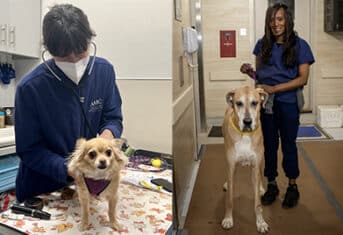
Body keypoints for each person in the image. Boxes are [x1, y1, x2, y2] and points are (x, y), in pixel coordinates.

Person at [14, 4, 123, 202]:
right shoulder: (30, 88)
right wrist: (70, 168)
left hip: (86, 182)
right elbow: (29, 150)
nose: (74, 61)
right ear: (48, 50)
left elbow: (113, 118)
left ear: (89, 41)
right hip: (42, 188)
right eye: (64, 57)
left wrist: (107, 138)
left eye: (80, 54)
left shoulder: (104, 71)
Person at [241, 2, 314, 208]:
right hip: (266, 105)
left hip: (289, 103)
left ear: (287, 21)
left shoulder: (300, 45)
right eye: (272, 20)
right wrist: (250, 72)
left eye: (280, 19)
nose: (276, 24)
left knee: (288, 144)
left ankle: (292, 185)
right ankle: (272, 184)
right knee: (269, 145)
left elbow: (303, 79)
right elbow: (260, 78)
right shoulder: (262, 44)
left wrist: (275, 89)